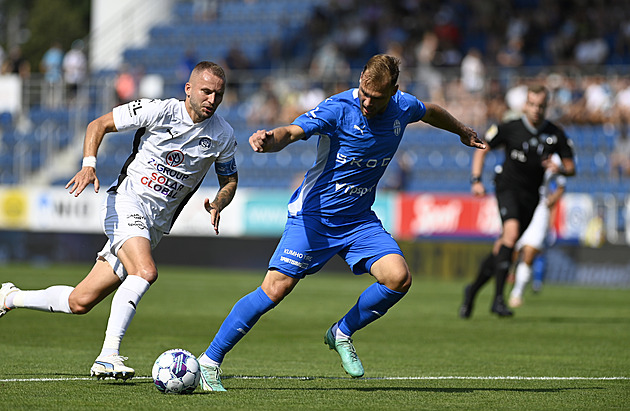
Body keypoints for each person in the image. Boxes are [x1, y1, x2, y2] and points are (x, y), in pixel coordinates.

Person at [195, 54, 485, 391]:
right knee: (275, 289)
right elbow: (293, 131)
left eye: (375, 98)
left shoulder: (403, 107)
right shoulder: (339, 108)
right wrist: (269, 140)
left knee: (398, 278)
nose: (365, 100)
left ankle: (341, 332)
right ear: (361, 78)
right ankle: (209, 361)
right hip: (314, 217)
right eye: (363, 91)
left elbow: (431, 111)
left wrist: (462, 131)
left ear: (393, 91)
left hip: (359, 220)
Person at [0, 61, 238, 380]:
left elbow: (229, 180)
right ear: (189, 89)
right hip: (125, 202)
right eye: (206, 91)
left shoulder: (223, 134)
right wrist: (88, 165)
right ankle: (107, 356)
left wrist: (219, 202)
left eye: (218, 95)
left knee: (80, 301)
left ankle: (10, 297)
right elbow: (98, 125)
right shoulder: (158, 111)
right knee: (145, 271)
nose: (212, 99)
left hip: (153, 226)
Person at [459, 84, 575, 319]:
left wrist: (560, 168)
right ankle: (499, 300)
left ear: (546, 106)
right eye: (532, 104)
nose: (536, 109)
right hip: (507, 188)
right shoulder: (510, 127)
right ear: (525, 105)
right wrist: (476, 180)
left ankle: (472, 290)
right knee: (510, 236)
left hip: (532, 196)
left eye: (541, 106)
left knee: (503, 247)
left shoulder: (555, 133)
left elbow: (571, 167)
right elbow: (482, 149)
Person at [508, 154, 566, 308]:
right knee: (513, 248)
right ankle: (506, 280)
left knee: (530, 251)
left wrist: (551, 200)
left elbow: (561, 185)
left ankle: (517, 293)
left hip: (540, 208)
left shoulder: (554, 157)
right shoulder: (523, 146)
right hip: (520, 203)